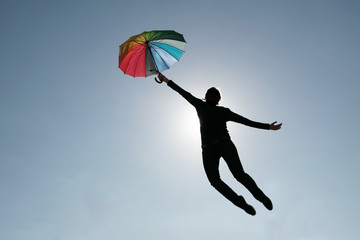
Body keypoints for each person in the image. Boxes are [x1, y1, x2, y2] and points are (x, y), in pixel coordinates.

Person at [157, 73, 282, 216]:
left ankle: (261, 197)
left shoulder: (223, 111)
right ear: (206, 96)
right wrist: (165, 80)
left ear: (218, 99)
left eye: (215, 95)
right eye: (209, 94)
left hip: (224, 144)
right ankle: (241, 203)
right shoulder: (200, 105)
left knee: (239, 175)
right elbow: (183, 92)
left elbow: (245, 121)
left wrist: (267, 127)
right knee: (214, 181)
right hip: (208, 150)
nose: (211, 96)